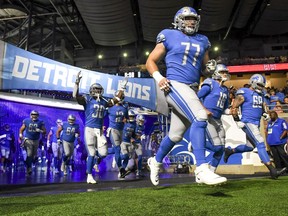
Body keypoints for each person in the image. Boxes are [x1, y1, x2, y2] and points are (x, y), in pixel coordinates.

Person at [145, 6, 225, 186]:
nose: (191, 22)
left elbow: (205, 69)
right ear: (179, 20)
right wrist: (159, 77)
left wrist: (209, 70)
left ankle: (155, 162)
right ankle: (202, 169)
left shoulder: (203, 40)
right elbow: (150, 61)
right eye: (188, 18)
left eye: (194, 19)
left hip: (192, 88)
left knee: (175, 135)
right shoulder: (169, 34)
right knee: (200, 116)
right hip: (174, 84)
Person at [225, 74, 286, 179]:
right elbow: (233, 108)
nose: (261, 87)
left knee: (250, 147)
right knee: (260, 143)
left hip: (255, 123)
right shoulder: (244, 92)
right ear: (252, 82)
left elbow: (260, 107)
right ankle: (272, 170)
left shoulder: (260, 94)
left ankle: (231, 151)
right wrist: (237, 120)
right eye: (259, 84)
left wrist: (264, 113)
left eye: (262, 85)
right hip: (248, 122)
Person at [73, 71, 125, 184]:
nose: (97, 91)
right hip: (89, 129)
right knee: (91, 153)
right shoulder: (87, 100)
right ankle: (89, 175)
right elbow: (75, 96)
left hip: (99, 130)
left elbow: (116, 99)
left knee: (103, 153)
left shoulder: (104, 101)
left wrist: (122, 88)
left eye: (99, 89)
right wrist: (77, 82)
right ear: (91, 90)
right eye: (95, 89)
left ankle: (92, 159)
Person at [197, 64, 230, 173]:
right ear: (215, 72)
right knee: (217, 147)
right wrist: (204, 109)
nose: (225, 74)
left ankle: (212, 172)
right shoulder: (209, 83)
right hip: (209, 119)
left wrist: (231, 111)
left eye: (225, 72)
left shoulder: (225, 89)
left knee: (221, 149)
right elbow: (196, 98)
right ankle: (195, 144)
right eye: (222, 72)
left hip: (218, 120)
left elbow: (225, 108)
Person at [106, 91, 128, 176]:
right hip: (113, 130)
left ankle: (99, 153)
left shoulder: (124, 108)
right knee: (118, 149)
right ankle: (120, 168)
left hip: (121, 130)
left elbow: (126, 119)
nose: (120, 99)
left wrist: (126, 121)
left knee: (116, 150)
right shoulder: (110, 108)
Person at [19, 110, 46, 175]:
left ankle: (29, 165)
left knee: (33, 155)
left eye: (35, 115)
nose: (34, 116)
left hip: (36, 140)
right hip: (28, 139)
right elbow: (21, 129)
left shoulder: (40, 122)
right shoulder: (27, 121)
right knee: (29, 154)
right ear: (31, 115)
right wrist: (20, 135)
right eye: (33, 114)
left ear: (37, 115)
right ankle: (29, 168)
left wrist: (40, 131)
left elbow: (44, 131)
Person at [118, 109, 136, 179]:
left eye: (132, 116)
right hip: (123, 141)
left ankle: (122, 172)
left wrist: (135, 138)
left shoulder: (134, 125)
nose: (131, 118)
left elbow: (133, 134)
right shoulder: (124, 123)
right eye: (130, 116)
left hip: (129, 142)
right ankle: (116, 159)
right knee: (125, 156)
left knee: (128, 157)